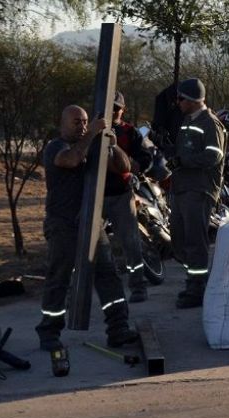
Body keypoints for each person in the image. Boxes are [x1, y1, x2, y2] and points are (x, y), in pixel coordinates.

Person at [36, 105, 139, 352]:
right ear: (62, 124)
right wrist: (92, 133)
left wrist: (112, 145)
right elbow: (71, 160)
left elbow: (125, 167)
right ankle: (49, 331)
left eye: (84, 121)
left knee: (108, 276)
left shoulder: (91, 146)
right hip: (63, 224)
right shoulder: (55, 147)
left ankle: (118, 329)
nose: (82, 126)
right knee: (59, 278)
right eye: (76, 122)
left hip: (92, 223)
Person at [167, 78, 226, 309]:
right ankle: (195, 280)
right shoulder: (186, 120)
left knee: (195, 240)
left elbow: (214, 156)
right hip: (182, 187)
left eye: (181, 98)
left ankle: (197, 289)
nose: (178, 102)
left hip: (199, 189)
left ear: (191, 100)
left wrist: (184, 160)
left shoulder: (210, 123)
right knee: (179, 238)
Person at [102, 91, 153, 303]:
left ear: (123, 109)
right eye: (109, 107)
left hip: (121, 195)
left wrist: (129, 168)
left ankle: (138, 286)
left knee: (130, 243)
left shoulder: (129, 132)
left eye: (116, 107)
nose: (113, 111)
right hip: (94, 197)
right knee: (87, 245)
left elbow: (145, 158)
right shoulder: (92, 128)